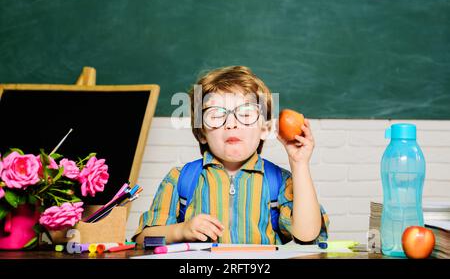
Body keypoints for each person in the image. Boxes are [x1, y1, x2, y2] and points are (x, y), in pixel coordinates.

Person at [133, 66, 329, 245]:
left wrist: (299, 163)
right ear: (201, 132)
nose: (231, 123)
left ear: (265, 128)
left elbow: (307, 235)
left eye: (245, 114)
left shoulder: (280, 182)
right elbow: (143, 239)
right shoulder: (179, 179)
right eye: (216, 115)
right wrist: (181, 230)